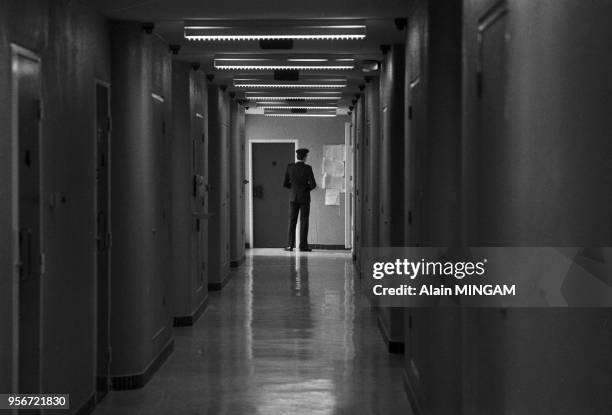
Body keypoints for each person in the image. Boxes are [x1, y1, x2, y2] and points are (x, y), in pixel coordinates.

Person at [283, 148, 316, 252]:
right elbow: (313, 185)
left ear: (297, 157)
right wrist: (306, 190)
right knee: (304, 221)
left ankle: (289, 245)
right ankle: (303, 246)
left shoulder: (290, 167)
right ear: (305, 157)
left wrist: (293, 189)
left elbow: (284, 183)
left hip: (293, 197)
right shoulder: (308, 168)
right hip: (305, 198)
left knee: (292, 221)